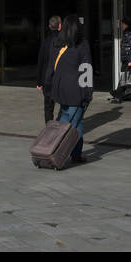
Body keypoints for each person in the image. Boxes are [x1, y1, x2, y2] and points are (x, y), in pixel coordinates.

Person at [48, 15, 92, 165]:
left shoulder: (59, 43)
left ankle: (57, 150)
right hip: (76, 91)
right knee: (76, 124)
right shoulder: (82, 44)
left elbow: (52, 66)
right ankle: (76, 155)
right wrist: (88, 92)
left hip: (61, 91)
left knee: (64, 122)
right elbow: (86, 69)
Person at [35, 15, 62, 122]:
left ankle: (49, 128)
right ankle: (61, 123)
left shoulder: (45, 41)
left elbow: (41, 62)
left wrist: (39, 82)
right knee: (64, 105)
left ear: (50, 26)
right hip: (60, 78)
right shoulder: (64, 41)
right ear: (59, 26)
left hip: (47, 79)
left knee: (48, 107)